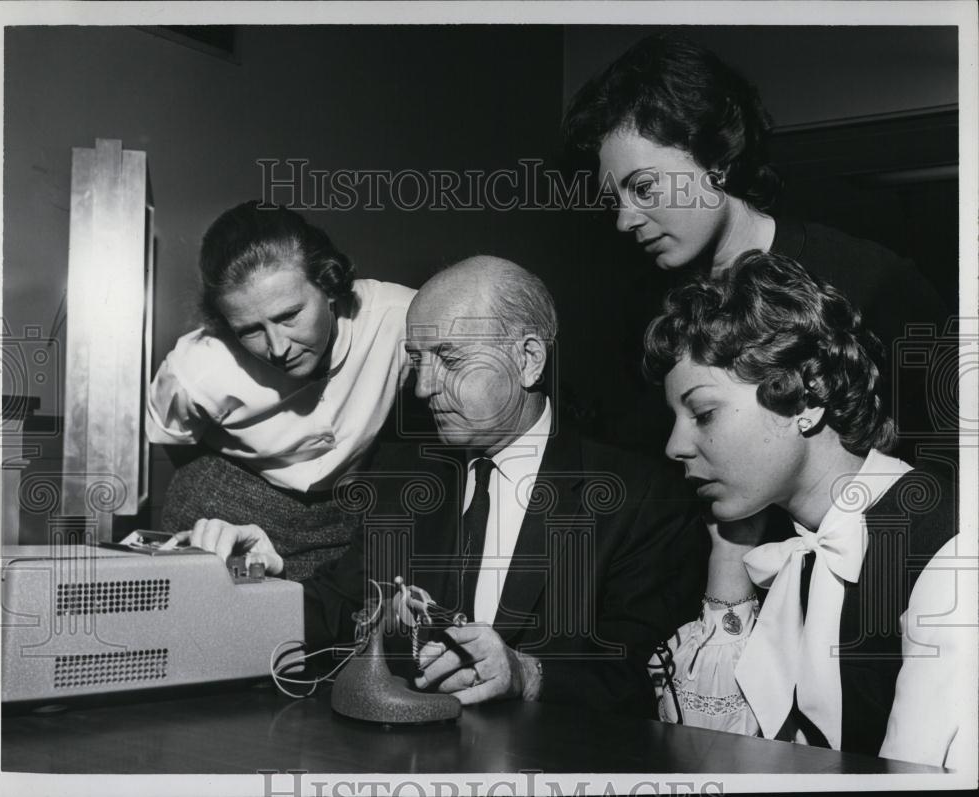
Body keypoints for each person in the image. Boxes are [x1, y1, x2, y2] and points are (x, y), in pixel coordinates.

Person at [185, 255, 710, 715]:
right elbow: (340, 608)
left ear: (527, 359)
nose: (424, 386)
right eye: (416, 360)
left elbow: (649, 681)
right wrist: (252, 585)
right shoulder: (400, 477)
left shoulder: (640, 500)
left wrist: (528, 675)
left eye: (450, 359)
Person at [641, 250, 966, 768]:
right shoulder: (792, 547)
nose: (674, 446)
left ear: (807, 398)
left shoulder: (948, 547)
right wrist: (728, 555)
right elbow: (713, 756)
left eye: (702, 413)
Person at [561, 32, 952, 461]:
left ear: (716, 161)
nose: (623, 220)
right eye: (614, 201)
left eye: (644, 187)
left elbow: (953, 460)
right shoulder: (649, 318)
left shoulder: (874, 282)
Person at [147, 201, 416, 576]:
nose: (277, 347)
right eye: (249, 330)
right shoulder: (195, 366)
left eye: (289, 316)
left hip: (346, 513)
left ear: (329, 281)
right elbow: (172, 438)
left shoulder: (404, 317)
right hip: (224, 509)